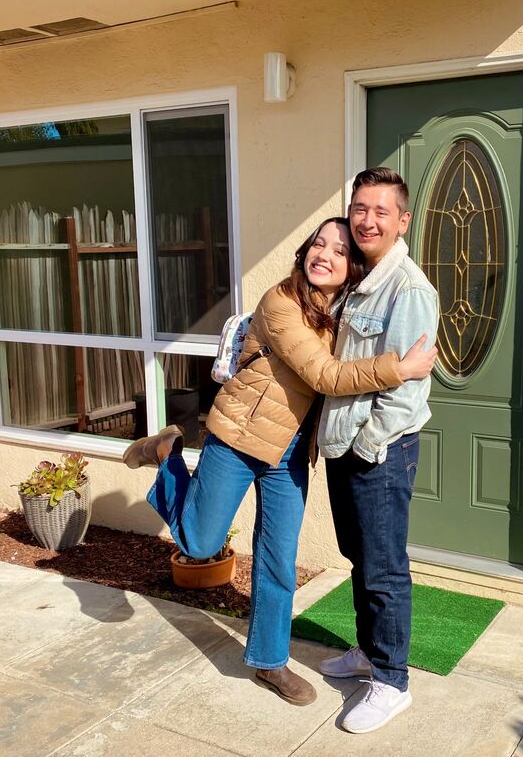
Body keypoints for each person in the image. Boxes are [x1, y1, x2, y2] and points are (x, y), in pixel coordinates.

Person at [122, 216, 436, 707]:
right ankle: (166, 453)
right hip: (239, 434)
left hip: (290, 451)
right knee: (198, 541)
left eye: (338, 250)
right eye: (318, 243)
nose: (324, 254)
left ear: (352, 267)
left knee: (277, 560)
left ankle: (269, 661)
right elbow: (326, 375)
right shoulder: (280, 302)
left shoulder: (347, 312)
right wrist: (401, 368)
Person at [317, 169, 439, 733]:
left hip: (380, 451)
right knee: (360, 557)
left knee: (384, 569)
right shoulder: (361, 278)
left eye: (380, 211)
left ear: (402, 220)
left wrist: (366, 447)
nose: (367, 220)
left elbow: (405, 391)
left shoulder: (408, 289)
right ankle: (368, 651)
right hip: (345, 445)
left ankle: (392, 682)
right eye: (359, 209)